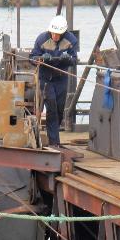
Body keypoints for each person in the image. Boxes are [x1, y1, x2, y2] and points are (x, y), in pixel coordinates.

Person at [30, 15, 78, 147]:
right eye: (53, 33)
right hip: (46, 80)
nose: (55, 36)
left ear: (63, 33)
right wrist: (41, 58)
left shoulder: (71, 40)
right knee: (52, 108)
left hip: (61, 79)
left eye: (58, 34)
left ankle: (54, 137)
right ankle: (54, 142)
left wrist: (67, 59)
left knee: (60, 108)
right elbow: (32, 58)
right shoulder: (41, 39)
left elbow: (74, 60)